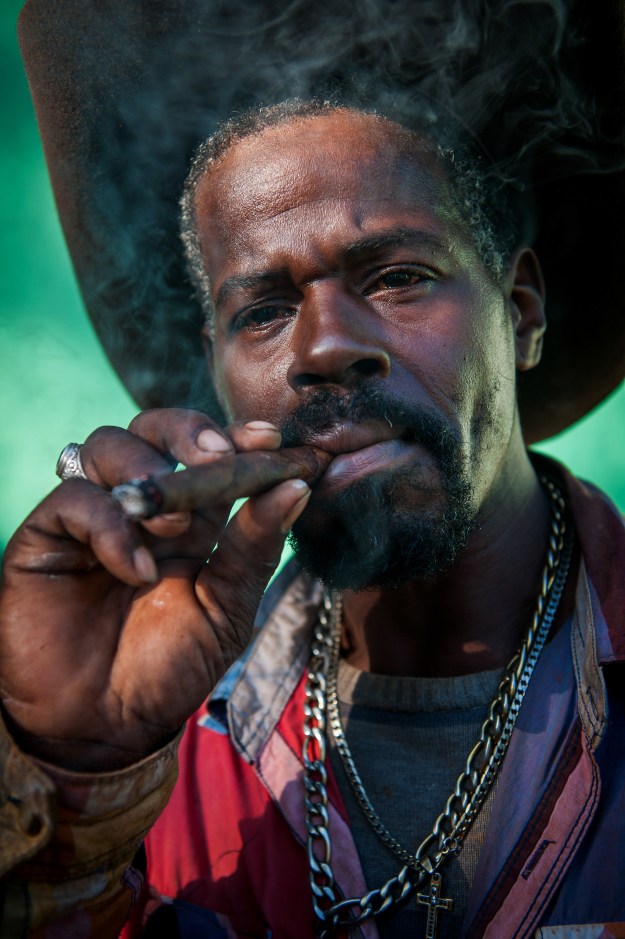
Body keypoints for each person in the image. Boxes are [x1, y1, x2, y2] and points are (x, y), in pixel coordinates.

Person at [1, 96, 625, 939]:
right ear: (216, 378)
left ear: (518, 311)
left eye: (397, 275)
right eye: (262, 311)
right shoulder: (158, 722)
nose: (324, 347)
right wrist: (74, 783)